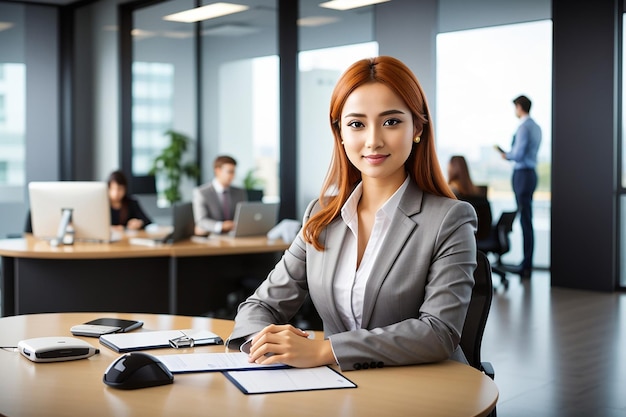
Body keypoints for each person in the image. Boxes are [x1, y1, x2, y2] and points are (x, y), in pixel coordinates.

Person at [226, 56, 477, 372]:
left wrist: (326, 351)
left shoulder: (450, 219)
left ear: (417, 128)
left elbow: (438, 332)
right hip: (338, 391)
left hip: (422, 389)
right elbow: (260, 305)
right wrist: (262, 342)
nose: (373, 140)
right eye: (357, 124)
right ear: (340, 134)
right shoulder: (322, 216)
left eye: (391, 121)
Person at [496, 95, 541, 279]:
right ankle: (526, 263)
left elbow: (518, 154)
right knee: (526, 220)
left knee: (525, 221)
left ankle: (526, 265)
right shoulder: (536, 127)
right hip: (531, 174)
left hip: (522, 174)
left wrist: (507, 155)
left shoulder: (524, 127)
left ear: (519, 107)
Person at [192, 155, 248, 235]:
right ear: (218, 171)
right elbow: (201, 220)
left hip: (236, 236)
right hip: (212, 237)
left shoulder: (239, 192)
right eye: (230, 172)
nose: (233, 176)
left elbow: (244, 216)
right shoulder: (202, 192)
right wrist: (221, 226)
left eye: (234, 172)